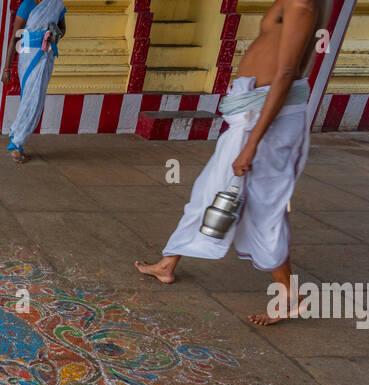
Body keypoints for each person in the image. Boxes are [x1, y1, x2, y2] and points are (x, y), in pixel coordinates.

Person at [134, 0, 326, 325]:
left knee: (261, 211)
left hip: (263, 127)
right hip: (250, 119)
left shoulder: (302, 5)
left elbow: (285, 73)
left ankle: (290, 294)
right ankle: (168, 264)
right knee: (208, 194)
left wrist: (251, 145)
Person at [0, 0, 65, 164]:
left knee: (34, 101)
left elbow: (63, 28)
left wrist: (53, 35)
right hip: (28, 57)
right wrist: (6, 68)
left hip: (46, 55)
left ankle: (17, 142)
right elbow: (15, 36)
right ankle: (16, 144)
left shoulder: (55, 4)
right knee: (31, 100)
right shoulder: (27, 5)